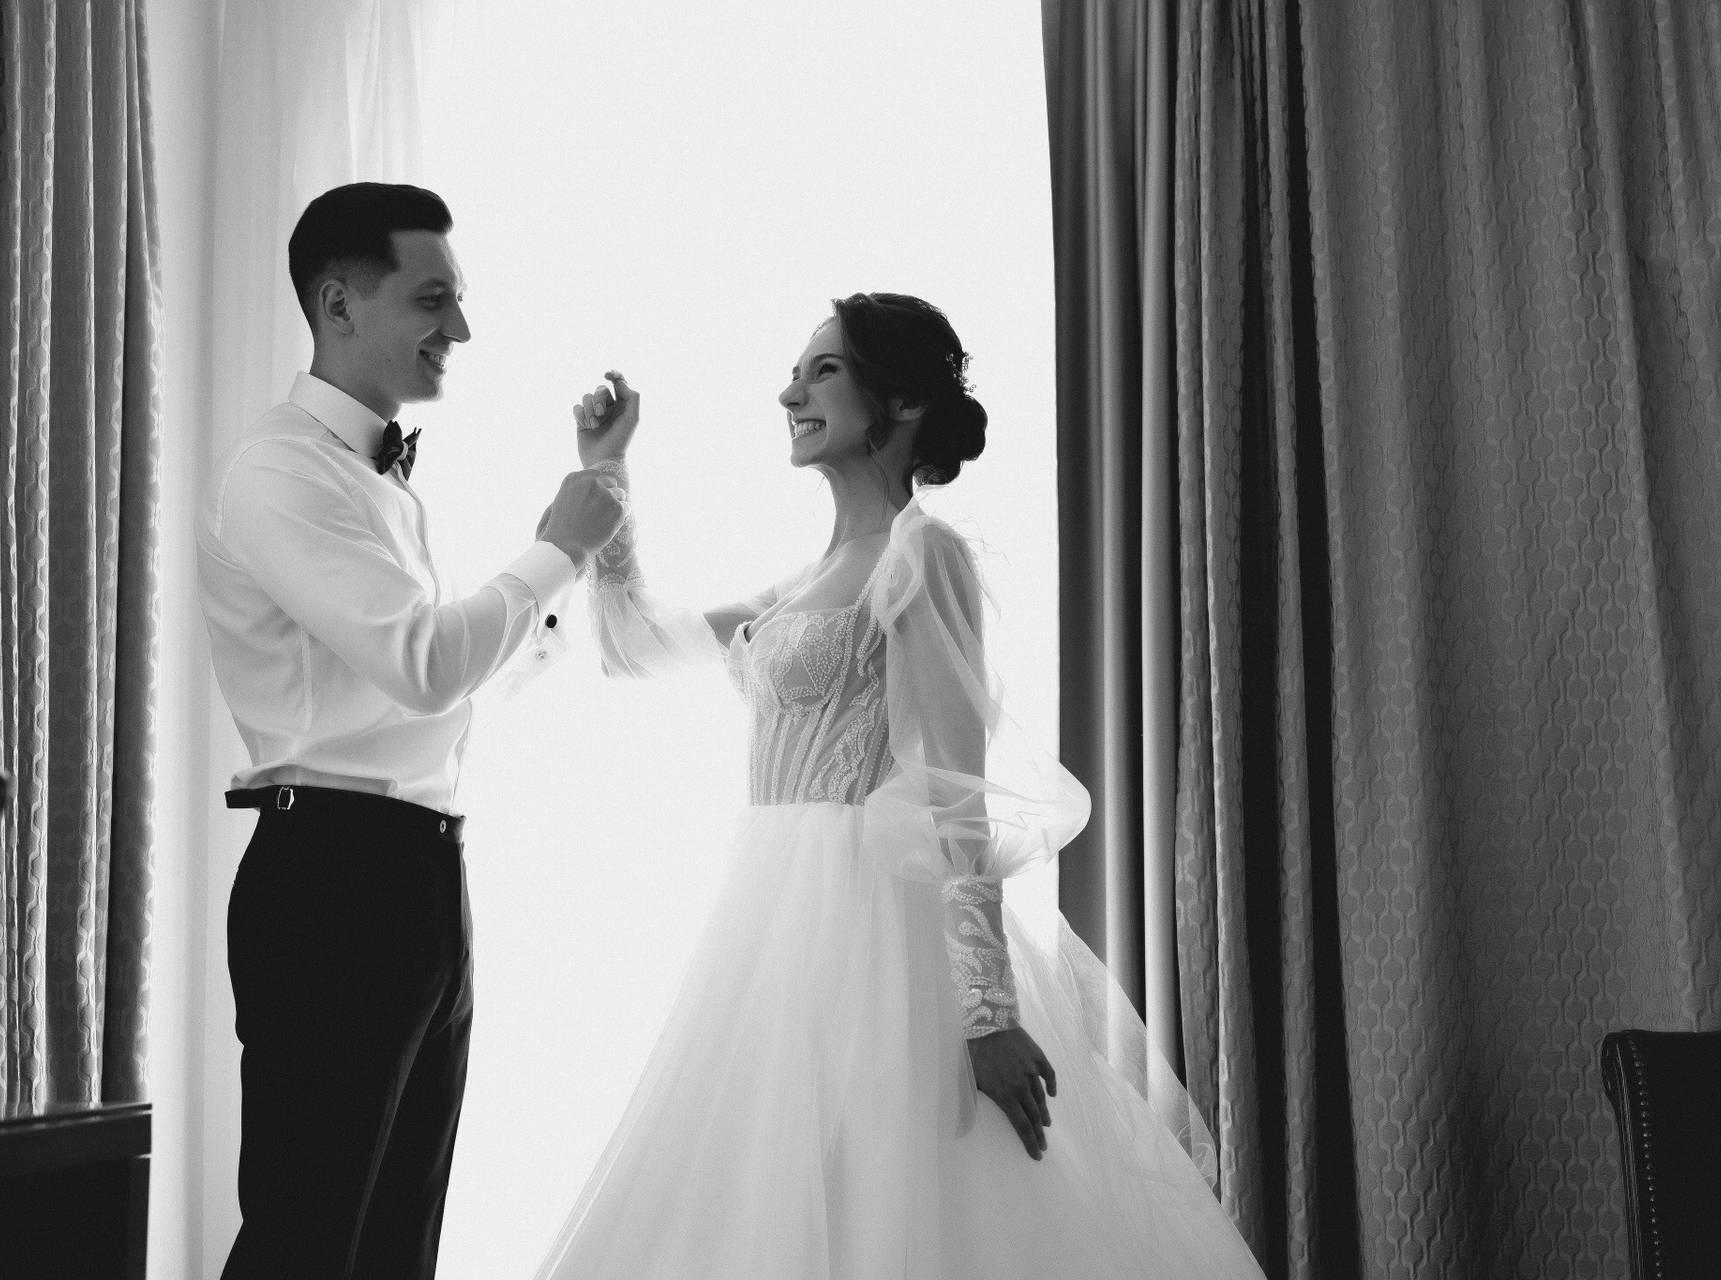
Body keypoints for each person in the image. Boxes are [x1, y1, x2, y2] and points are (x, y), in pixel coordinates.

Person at [538, 293, 1267, 1277]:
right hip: (771, 920)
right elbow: (629, 646)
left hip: (871, 924)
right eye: (795, 373)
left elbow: (957, 786)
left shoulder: (922, 553)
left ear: (907, 401)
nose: (790, 393)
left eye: (823, 370)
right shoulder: (801, 583)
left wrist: (988, 1010)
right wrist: (606, 471)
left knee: (884, 1191)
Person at [195, 182, 629, 1279]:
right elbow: (425, 664)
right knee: (307, 1241)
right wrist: (556, 548)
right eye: (434, 299)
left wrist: (592, 496)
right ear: (339, 305)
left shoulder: (377, 479)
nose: (461, 328)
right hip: (331, 880)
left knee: (398, 1247)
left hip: (422, 876)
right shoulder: (278, 469)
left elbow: (445, 679)